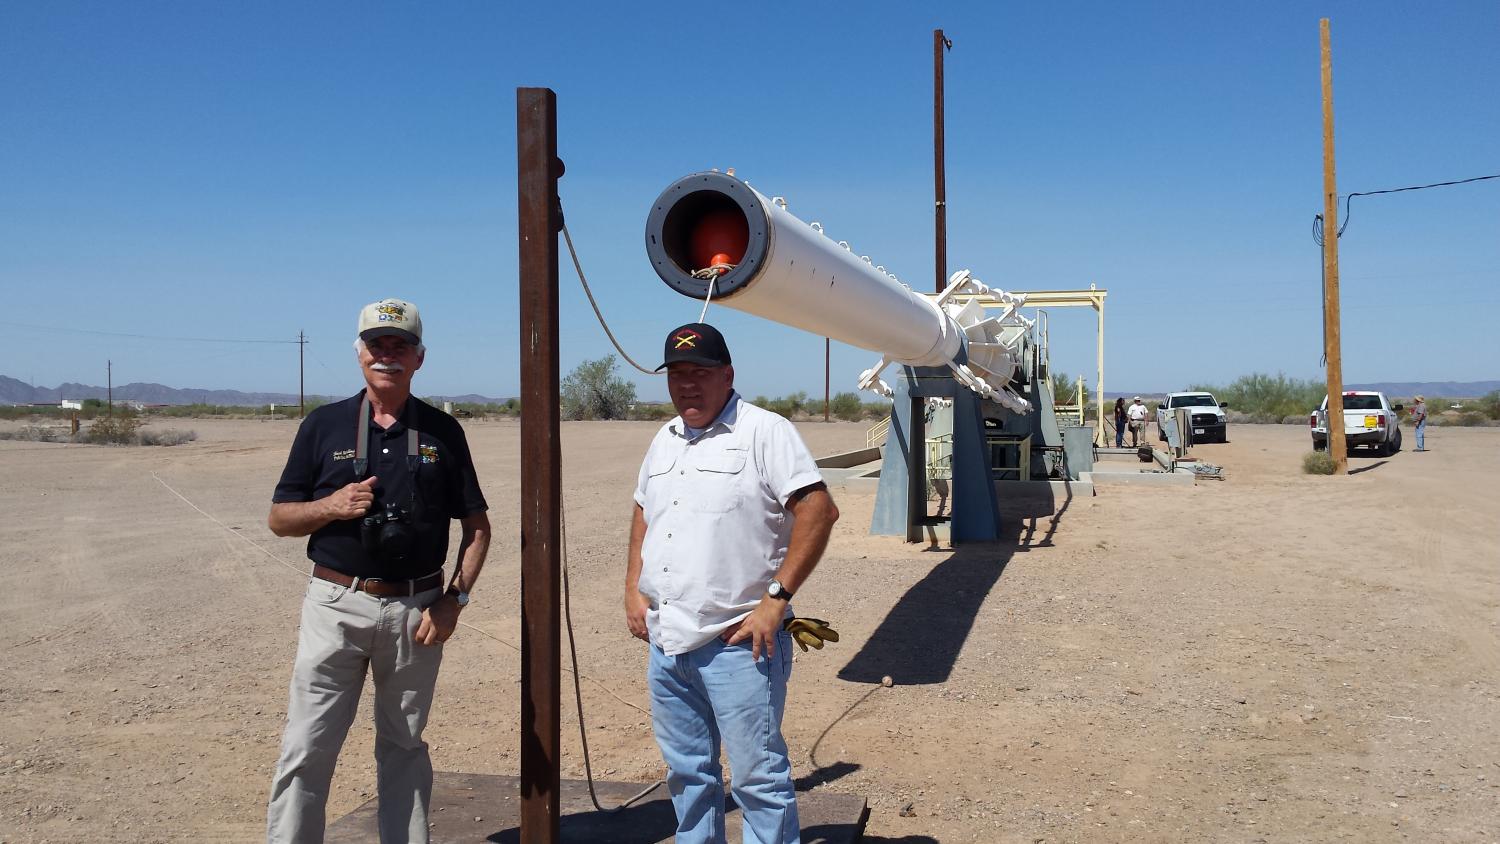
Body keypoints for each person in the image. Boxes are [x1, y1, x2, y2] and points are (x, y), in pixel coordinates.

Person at [266, 298, 490, 843]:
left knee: (404, 745)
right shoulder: (323, 425)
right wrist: (331, 506)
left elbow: (478, 528)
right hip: (336, 607)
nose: (387, 355)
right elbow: (279, 519)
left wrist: (454, 600)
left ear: (419, 357)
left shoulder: (442, 430)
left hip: (417, 613)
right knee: (307, 745)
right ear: (359, 352)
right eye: (377, 344)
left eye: (400, 346)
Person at [625, 322, 840, 844]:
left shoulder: (764, 431)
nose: (687, 385)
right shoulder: (665, 439)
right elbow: (644, 511)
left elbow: (818, 510)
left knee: (757, 779)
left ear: (727, 375)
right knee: (688, 774)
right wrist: (633, 587)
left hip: (739, 644)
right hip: (668, 642)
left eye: (699, 373)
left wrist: (776, 600)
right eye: (676, 374)